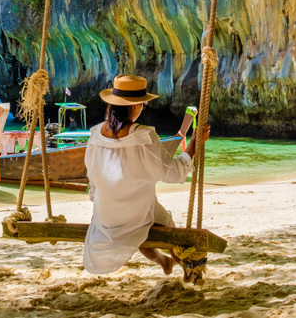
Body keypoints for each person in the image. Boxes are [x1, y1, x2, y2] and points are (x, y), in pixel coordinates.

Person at [82, 74, 208, 278]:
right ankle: (182, 266)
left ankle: (163, 261)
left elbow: (93, 178)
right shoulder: (144, 136)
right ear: (135, 106)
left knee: (143, 223)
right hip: (136, 215)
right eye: (142, 104)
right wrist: (195, 141)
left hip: (105, 218)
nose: (142, 108)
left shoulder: (95, 134)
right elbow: (174, 173)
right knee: (161, 223)